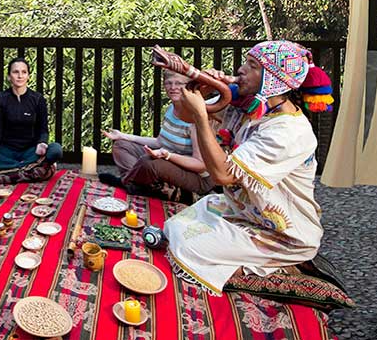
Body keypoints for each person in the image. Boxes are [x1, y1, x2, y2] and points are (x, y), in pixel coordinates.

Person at [161, 40, 334, 295]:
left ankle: (267, 271)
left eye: (252, 66)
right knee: (176, 225)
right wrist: (202, 91)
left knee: (189, 247)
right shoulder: (250, 106)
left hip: (282, 234)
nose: (241, 69)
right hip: (244, 212)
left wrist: (201, 116)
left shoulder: (289, 131)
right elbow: (184, 114)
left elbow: (222, 175)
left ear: (273, 79)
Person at [98, 70, 214, 203]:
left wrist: (167, 156)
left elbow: (200, 165)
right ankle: (142, 185)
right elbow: (159, 142)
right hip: (166, 159)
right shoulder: (171, 108)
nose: (173, 87)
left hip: (198, 177)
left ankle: (128, 183)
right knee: (121, 145)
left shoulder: (195, 117)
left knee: (148, 162)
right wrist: (122, 136)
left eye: (179, 83)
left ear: (189, 87)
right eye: (169, 83)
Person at [0, 58, 62, 180]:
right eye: (15, 72)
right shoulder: (1, 98)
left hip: (30, 151)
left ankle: (8, 170)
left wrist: (42, 142)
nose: (20, 76)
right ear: (9, 76)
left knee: (56, 149)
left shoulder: (37, 99)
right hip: (7, 151)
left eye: (24, 72)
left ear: (28, 76)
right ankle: (25, 168)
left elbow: (43, 129)